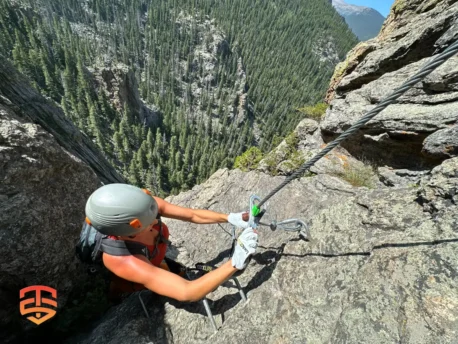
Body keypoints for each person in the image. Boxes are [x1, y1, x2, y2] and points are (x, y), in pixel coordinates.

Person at [84, 183, 258, 302]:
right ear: (129, 230)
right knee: (122, 285)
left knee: (166, 267)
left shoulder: (145, 208)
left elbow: (192, 215)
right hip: (135, 273)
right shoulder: (122, 259)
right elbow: (186, 292)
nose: (155, 220)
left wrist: (229, 217)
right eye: (149, 222)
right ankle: (113, 298)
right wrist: (235, 262)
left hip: (154, 257)